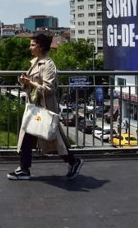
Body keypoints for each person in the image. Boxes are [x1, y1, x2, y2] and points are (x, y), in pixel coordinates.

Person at [7, 33, 83, 181]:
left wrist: (30, 83)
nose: (30, 47)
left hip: (44, 108)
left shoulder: (48, 64)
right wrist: (24, 82)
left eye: (33, 45)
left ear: (40, 47)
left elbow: (49, 89)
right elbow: (32, 85)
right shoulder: (36, 62)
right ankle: (24, 168)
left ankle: (73, 161)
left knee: (54, 138)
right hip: (34, 107)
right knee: (27, 138)